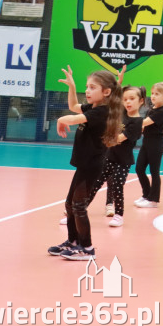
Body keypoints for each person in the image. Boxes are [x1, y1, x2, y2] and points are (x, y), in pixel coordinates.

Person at [47, 67, 122, 260]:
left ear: (106, 92)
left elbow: (73, 118)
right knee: (70, 204)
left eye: (92, 87)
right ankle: (73, 241)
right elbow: (73, 107)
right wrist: (72, 86)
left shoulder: (101, 112)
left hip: (91, 165)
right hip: (84, 164)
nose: (87, 91)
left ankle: (87, 248)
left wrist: (60, 120)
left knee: (78, 205)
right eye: (86, 87)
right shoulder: (94, 108)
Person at [86, 84, 145, 227]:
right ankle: (80, 209)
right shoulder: (121, 114)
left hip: (122, 161)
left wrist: (100, 139)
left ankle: (119, 215)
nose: (128, 102)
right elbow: (113, 100)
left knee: (117, 187)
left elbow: (118, 139)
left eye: (132, 99)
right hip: (109, 157)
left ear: (141, 101)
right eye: (125, 99)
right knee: (95, 184)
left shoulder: (137, 122)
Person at [134, 82, 163, 208]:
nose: (153, 96)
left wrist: (132, 122)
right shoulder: (152, 109)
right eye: (152, 93)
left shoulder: (162, 111)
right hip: (146, 143)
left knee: (154, 172)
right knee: (139, 168)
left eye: (157, 94)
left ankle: (154, 200)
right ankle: (146, 194)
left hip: (156, 145)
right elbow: (144, 127)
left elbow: (145, 122)